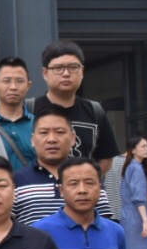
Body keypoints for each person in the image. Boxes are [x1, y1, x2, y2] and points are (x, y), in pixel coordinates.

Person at [15, 106, 113, 226]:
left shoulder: (89, 178)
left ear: (73, 138)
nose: (52, 139)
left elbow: (104, 225)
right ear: (33, 140)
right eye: (44, 132)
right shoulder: (16, 181)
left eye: (60, 132)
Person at [33, 41, 118, 170]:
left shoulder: (95, 111)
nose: (66, 73)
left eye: (73, 67)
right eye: (58, 68)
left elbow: (106, 158)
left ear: (82, 71)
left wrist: (88, 179)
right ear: (45, 73)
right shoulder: (29, 109)